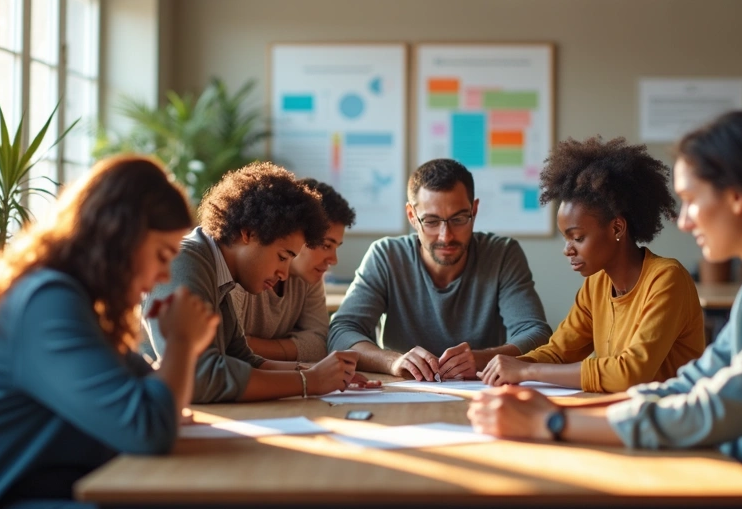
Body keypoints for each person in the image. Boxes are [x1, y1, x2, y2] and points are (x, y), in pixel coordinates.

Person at [468, 111, 742, 509]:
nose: (683, 221)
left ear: (738, 196)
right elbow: (695, 382)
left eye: (692, 200)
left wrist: (554, 422)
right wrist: (553, 409)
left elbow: (714, 409)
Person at [0, 155, 220, 509]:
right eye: (162, 255)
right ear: (120, 238)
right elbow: (148, 430)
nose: (165, 275)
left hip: (27, 494)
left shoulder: (78, 300)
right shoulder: (46, 301)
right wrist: (181, 342)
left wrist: (178, 354)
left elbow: (148, 391)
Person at [479, 137, 706, 393]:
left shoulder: (667, 279)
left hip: (669, 422)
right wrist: (498, 366)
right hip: (620, 416)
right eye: (566, 238)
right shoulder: (596, 285)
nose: (568, 249)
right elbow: (558, 352)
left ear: (617, 227)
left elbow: (630, 374)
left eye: (577, 237)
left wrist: (526, 371)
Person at [141, 162, 361, 403]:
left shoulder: (220, 270)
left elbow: (244, 358)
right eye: (282, 257)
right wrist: (311, 381)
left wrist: (324, 373)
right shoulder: (186, 261)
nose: (284, 274)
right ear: (249, 233)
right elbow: (200, 377)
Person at [328, 158, 552, 380]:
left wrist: (483, 358)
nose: (446, 236)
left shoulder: (502, 255)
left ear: (474, 210)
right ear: (412, 217)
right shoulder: (386, 256)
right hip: (402, 394)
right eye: (432, 221)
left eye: (458, 219)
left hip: (483, 393)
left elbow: (537, 334)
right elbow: (341, 331)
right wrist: (393, 361)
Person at [232, 178, 356, 362]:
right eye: (325, 245)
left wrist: (251, 346)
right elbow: (229, 349)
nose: (333, 260)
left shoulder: (309, 278)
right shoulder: (245, 271)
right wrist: (294, 349)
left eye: (336, 247)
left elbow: (320, 343)